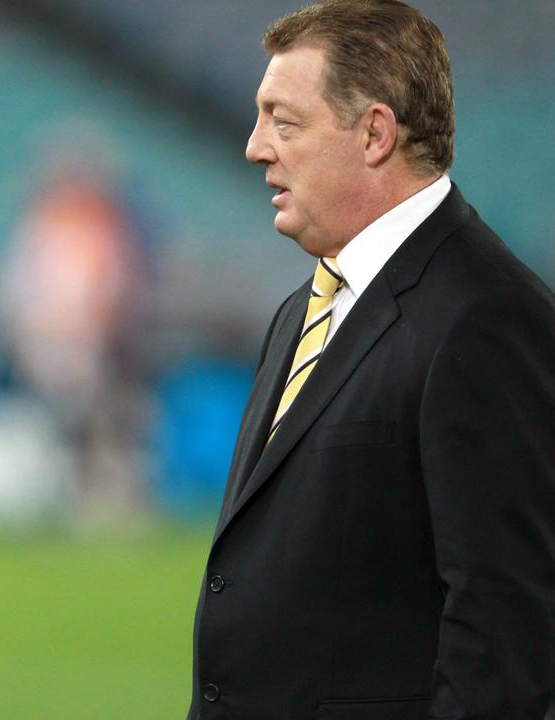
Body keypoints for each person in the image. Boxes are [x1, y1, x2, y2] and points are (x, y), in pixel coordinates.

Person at [189, 1, 555, 718]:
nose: (256, 146)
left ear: (375, 133)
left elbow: (506, 626)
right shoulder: (304, 307)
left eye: (283, 120)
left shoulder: (488, 316)